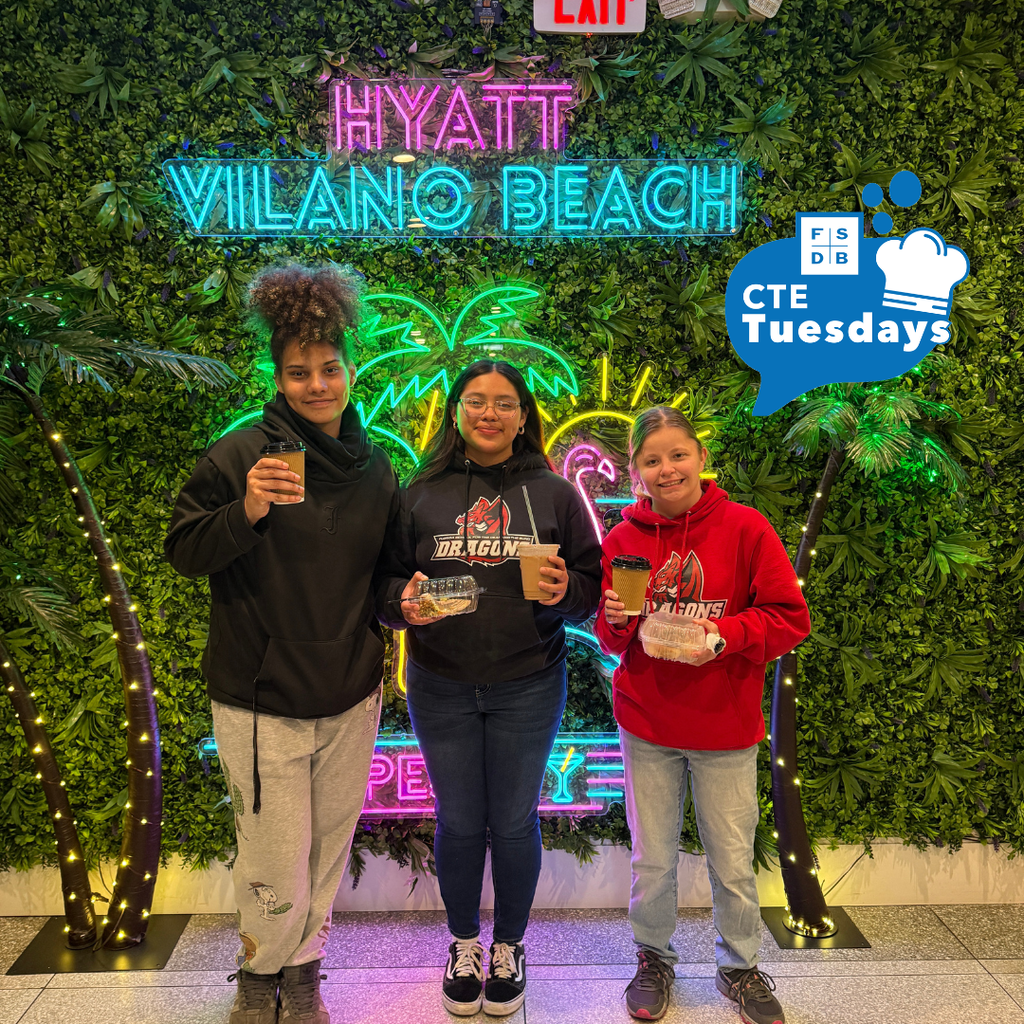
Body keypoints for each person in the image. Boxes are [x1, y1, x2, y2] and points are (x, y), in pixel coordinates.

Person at [165, 264, 399, 1024]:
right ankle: (258, 976)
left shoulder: (375, 469)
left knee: (327, 850)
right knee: (272, 858)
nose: (317, 385)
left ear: (350, 368)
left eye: (329, 369)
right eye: (299, 373)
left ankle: (303, 974)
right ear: (278, 375)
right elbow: (184, 549)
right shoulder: (238, 456)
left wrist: (409, 607)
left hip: (350, 690)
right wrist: (248, 509)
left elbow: (387, 580)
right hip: (260, 695)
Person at [377, 360, 602, 1017]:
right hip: (439, 683)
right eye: (476, 402)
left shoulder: (555, 494)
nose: (490, 414)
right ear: (455, 412)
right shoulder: (419, 492)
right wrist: (405, 603)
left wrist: (569, 593)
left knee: (511, 820)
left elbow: (589, 587)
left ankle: (508, 945)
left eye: (505, 403)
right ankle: (462, 942)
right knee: (457, 820)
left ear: (524, 415)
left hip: (529, 682)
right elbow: (387, 588)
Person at [594, 406, 811, 1024]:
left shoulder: (746, 530)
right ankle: (653, 960)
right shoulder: (624, 541)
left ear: (700, 458)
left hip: (725, 726)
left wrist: (726, 633)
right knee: (652, 858)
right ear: (636, 471)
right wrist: (614, 621)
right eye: (652, 460)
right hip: (649, 723)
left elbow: (790, 617)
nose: (667, 470)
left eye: (677, 455)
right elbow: (613, 639)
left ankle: (740, 968)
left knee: (732, 860)